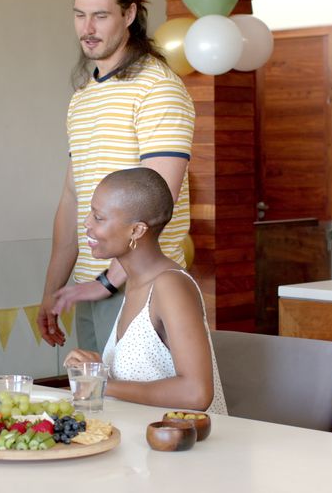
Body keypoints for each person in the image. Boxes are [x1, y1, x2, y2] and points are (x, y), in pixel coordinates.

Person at [38, 0, 196, 352]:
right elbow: (73, 201)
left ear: (129, 15)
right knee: (96, 407)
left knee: (139, 409)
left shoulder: (158, 89)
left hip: (141, 284)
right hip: (91, 287)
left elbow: (157, 205)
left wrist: (107, 282)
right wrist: (54, 289)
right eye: (79, 14)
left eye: (100, 15)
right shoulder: (83, 96)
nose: (87, 28)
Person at [63, 168, 226, 415]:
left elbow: (197, 393)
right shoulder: (135, 281)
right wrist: (95, 370)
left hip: (186, 446)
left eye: (98, 217)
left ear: (137, 230)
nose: (87, 223)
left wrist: (103, 384)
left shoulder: (170, 285)